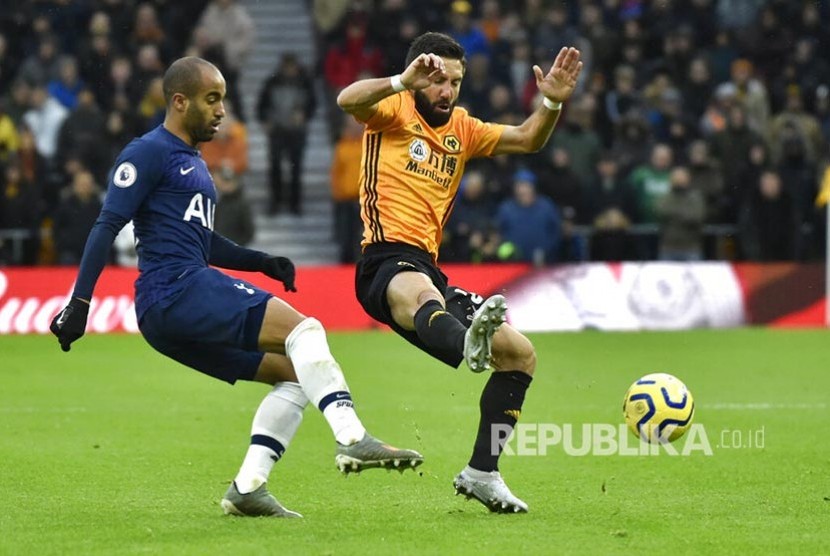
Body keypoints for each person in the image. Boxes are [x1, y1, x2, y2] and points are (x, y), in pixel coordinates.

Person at [49, 56, 422, 519]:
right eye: (212, 99)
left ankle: (248, 488)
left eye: (222, 98)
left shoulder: (190, 161)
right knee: (305, 331)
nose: (222, 110)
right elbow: (107, 224)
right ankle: (352, 437)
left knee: (294, 373)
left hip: (169, 313)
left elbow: (202, 240)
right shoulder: (148, 152)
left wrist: (261, 262)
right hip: (176, 289)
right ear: (179, 101)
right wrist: (79, 302)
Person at [337, 32, 582, 513]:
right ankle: (465, 340)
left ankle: (482, 473)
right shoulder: (393, 110)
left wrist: (551, 101)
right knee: (421, 293)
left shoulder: (463, 130)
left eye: (454, 81)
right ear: (416, 79)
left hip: (429, 267)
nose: (446, 90)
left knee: (519, 355)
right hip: (383, 260)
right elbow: (347, 99)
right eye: (435, 80)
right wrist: (398, 82)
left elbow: (528, 138)